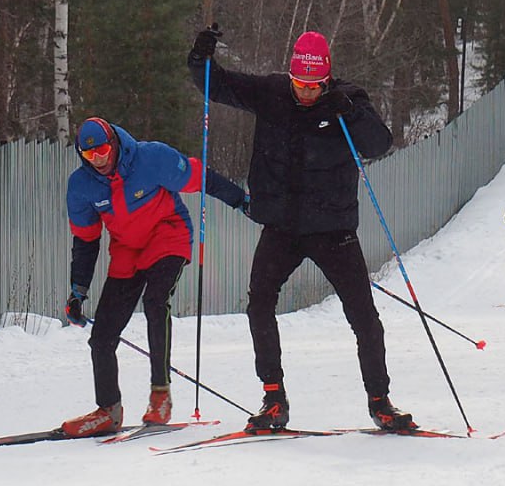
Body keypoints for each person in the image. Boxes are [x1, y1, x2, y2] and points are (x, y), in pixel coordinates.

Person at [188, 26, 415, 432]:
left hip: (334, 230)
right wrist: (200, 60)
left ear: (326, 79)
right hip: (282, 227)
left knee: (364, 316)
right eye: (299, 84)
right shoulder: (272, 93)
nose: (306, 93)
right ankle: (274, 397)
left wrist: (352, 111)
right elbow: (215, 87)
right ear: (290, 76)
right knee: (259, 303)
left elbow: (379, 144)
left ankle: (380, 402)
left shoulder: (347, 100)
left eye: (314, 86)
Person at [60, 117, 248, 437]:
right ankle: (109, 410)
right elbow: (86, 240)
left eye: (103, 150)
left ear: (114, 144)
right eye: (90, 156)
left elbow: (200, 177)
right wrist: (78, 291)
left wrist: (241, 200)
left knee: (155, 301)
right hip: (127, 253)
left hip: (167, 236)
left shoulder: (151, 158)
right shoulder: (81, 186)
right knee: (101, 337)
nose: (99, 160)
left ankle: (160, 393)